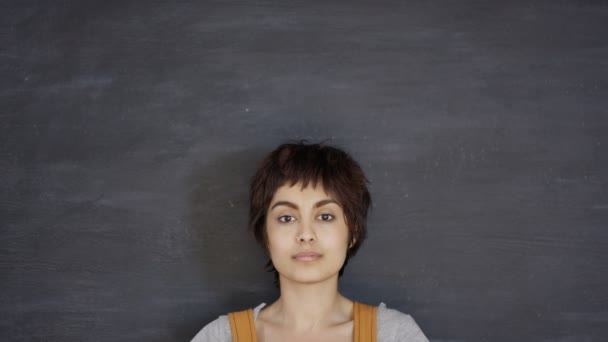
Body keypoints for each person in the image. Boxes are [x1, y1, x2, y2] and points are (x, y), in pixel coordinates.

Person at [191, 142, 428, 342]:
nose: (306, 234)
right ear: (265, 234)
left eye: (325, 216)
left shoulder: (393, 335)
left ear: (352, 231)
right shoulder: (221, 337)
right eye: (286, 218)